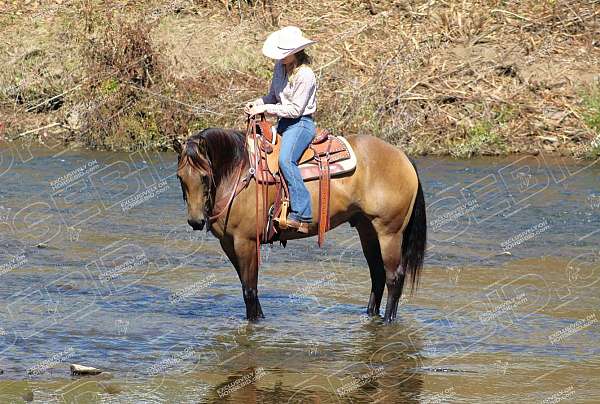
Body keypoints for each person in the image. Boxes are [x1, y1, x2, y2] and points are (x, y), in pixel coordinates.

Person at [245, 26, 317, 234]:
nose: (282, 57)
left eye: (286, 53)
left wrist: (265, 108)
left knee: (286, 160)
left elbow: (295, 110)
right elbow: (272, 97)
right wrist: (256, 103)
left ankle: (302, 213)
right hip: (283, 123)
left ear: (297, 51)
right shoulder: (279, 67)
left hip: (300, 124)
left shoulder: (306, 75)